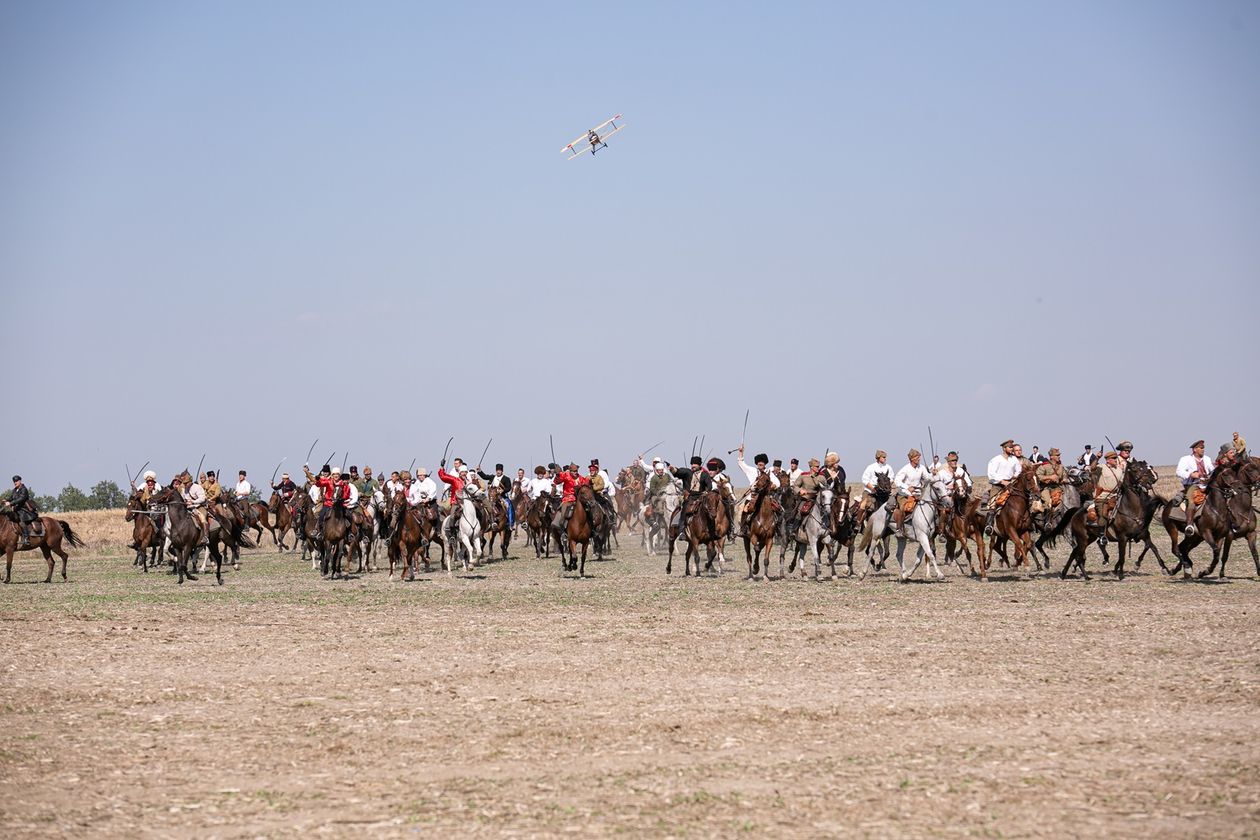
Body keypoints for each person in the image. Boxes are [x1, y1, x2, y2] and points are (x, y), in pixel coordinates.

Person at [736, 445, 780, 534]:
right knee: (744, 510)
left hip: (766, 497)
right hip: (752, 496)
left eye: (762, 462)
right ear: (756, 463)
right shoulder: (751, 470)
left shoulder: (769, 473)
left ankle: (777, 530)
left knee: (778, 509)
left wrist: (772, 486)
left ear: (765, 463)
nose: (760, 463)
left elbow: (778, 483)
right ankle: (743, 529)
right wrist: (741, 453)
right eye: (759, 462)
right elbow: (741, 463)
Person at [1176, 440, 1214, 535]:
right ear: (1194, 449)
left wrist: (1211, 477)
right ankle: (1189, 524)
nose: (1203, 449)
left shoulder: (1207, 459)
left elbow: (1212, 471)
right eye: (1201, 448)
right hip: (1193, 485)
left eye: (1203, 447)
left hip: (1207, 484)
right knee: (1191, 499)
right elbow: (1179, 471)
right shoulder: (1185, 459)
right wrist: (1191, 474)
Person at [984, 439, 1022, 533]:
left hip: (1011, 485)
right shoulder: (996, 460)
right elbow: (991, 474)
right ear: (1004, 448)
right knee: (993, 503)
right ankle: (989, 525)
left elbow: (1019, 470)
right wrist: (1002, 481)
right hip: (998, 486)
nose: (1011, 449)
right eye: (1010, 447)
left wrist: (1014, 477)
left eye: (1012, 447)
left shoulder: (1014, 459)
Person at [669, 456, 713, 535]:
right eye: (692, 464)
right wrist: (673, 469)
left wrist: (706, 492)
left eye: (695, 464)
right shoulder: (687, 472)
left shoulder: (704, 475)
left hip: (701, 497)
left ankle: (712, 530)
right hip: (689, 498)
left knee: (710, 510)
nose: (693, 465)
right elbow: (678, 472)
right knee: (685, 510)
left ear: (699, 465)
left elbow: (709, 485)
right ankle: (682, 531)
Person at [893, 449, 932, 535]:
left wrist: (933, 474)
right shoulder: (905, 469)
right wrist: (907, 487)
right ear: (912, 459)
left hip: (918, 494)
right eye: (917, 457)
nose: (919, 459)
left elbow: (928, 478)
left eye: (919, 457)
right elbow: (897, 480)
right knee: (903, 508)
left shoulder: (921, 468)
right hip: (905, 494)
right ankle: (899, 529)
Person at [791, 458, 826, 540]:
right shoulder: (804, 476)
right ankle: (794, 530)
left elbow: (826, 488)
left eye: (818, 466)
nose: (818, 468)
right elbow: (795, 486)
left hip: (817, 499)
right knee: (799, 511)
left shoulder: (821, 477)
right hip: (805, 499)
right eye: (816, 466)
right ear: (811, 467)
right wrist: (800, 490)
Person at [551, 463, 590, 533]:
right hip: (568, 499)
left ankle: (591, 526)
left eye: (576, 471)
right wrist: (558, 474)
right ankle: (561, 526)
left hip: (579, 499)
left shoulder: (580, 478)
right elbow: (557, 481)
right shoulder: (566, 476)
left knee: (589, 509)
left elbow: (586, 483)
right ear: (570, 471)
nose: (575, 472)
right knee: (563, 509)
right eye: (574, 471)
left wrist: (590, 481)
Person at [1090, 451, 1123, 526]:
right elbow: (1092, 468)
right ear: (1108, 460)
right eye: (1114, 458)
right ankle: (1102, 535)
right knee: (1103, 515)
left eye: (1116, 458)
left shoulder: (1119, 469)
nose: (1116, 459)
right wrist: (1097, 458)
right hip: (1103, 497)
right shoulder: (1101, 467)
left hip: (1117, 496)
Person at [478, 463, 515, 528]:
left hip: (501, 497)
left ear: (502, 471)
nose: (498, 471)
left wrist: (503, 490)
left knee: (509, 506)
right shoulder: (492, 477)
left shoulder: (506, 478)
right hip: (492, 497)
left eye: (500, 470)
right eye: (497, 470)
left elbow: (508, 488)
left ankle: (510, 524)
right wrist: (479, 471)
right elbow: (484, 476)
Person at [303, 463, 339, 530]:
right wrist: (306, 472)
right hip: (323, 501)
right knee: (315, 514)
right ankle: (317, 530)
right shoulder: (324, 480)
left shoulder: (334, 480)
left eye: (326, 472)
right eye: (324, 472)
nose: (325, 473)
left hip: (335, 502)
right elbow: (314, 481)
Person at [5, 476, 38, 547]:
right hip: (17, 509)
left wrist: (11, 503)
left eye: (16, 481)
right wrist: (6, 500)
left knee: (21, 521)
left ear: (20, 481)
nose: (15, 482)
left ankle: (26, 538)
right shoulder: (14, 490)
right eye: (14, 481)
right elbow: (11, 498)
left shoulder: (24, 489)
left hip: (24, 510)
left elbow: (21, 499)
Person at [1034, 448, 1068, 514]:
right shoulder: (1045, 465)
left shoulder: (1061, 466)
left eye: (1059, 455)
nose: (1059, 456)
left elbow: (1064, 475)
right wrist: (1050, 477)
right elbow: (1038, 476)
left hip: (1058, 487)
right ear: (1051, 456)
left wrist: (1064, 479)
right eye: (1057, 455)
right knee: (1047, 501)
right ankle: (1047, 521)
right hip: (1046, 488)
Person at [859, 450, 893, 514]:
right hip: (870, 491)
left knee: (893, 505)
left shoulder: (888, 467)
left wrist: (886, 486)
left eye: (885, 457)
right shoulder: (871, 467)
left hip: (884, 492)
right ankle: (859, 522)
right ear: (878, 457)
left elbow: (891, 479)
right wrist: (872, 488)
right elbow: (864, 479)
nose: (885, 458)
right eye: (883, 457)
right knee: (864, 505)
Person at [181, 472, 209, 543]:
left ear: (190, 482)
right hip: (188, 508)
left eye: (186, 483)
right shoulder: (184, 490)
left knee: (202, 517)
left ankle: (206, 536)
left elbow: (202, 498)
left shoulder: (197, 487)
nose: (185, 484)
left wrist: (193, 502)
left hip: (199, 506)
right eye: (184, 483)